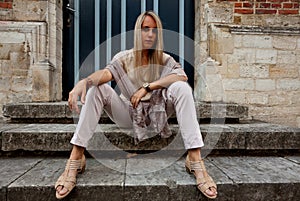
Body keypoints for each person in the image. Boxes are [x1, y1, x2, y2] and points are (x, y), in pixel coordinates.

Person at [55, 11, 217, 199]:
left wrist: (148, 88)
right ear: (137, 32)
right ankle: (76, 157)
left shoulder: (164, 59)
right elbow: (106, 74)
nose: (150, 34)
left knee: (182, 87)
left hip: (158, 116)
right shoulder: (124, 57)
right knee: (96, 89)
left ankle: (195, 159)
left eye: (154, 30)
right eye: (145, 29)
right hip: (128, 115)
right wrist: (85, 81)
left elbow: (182, 76)